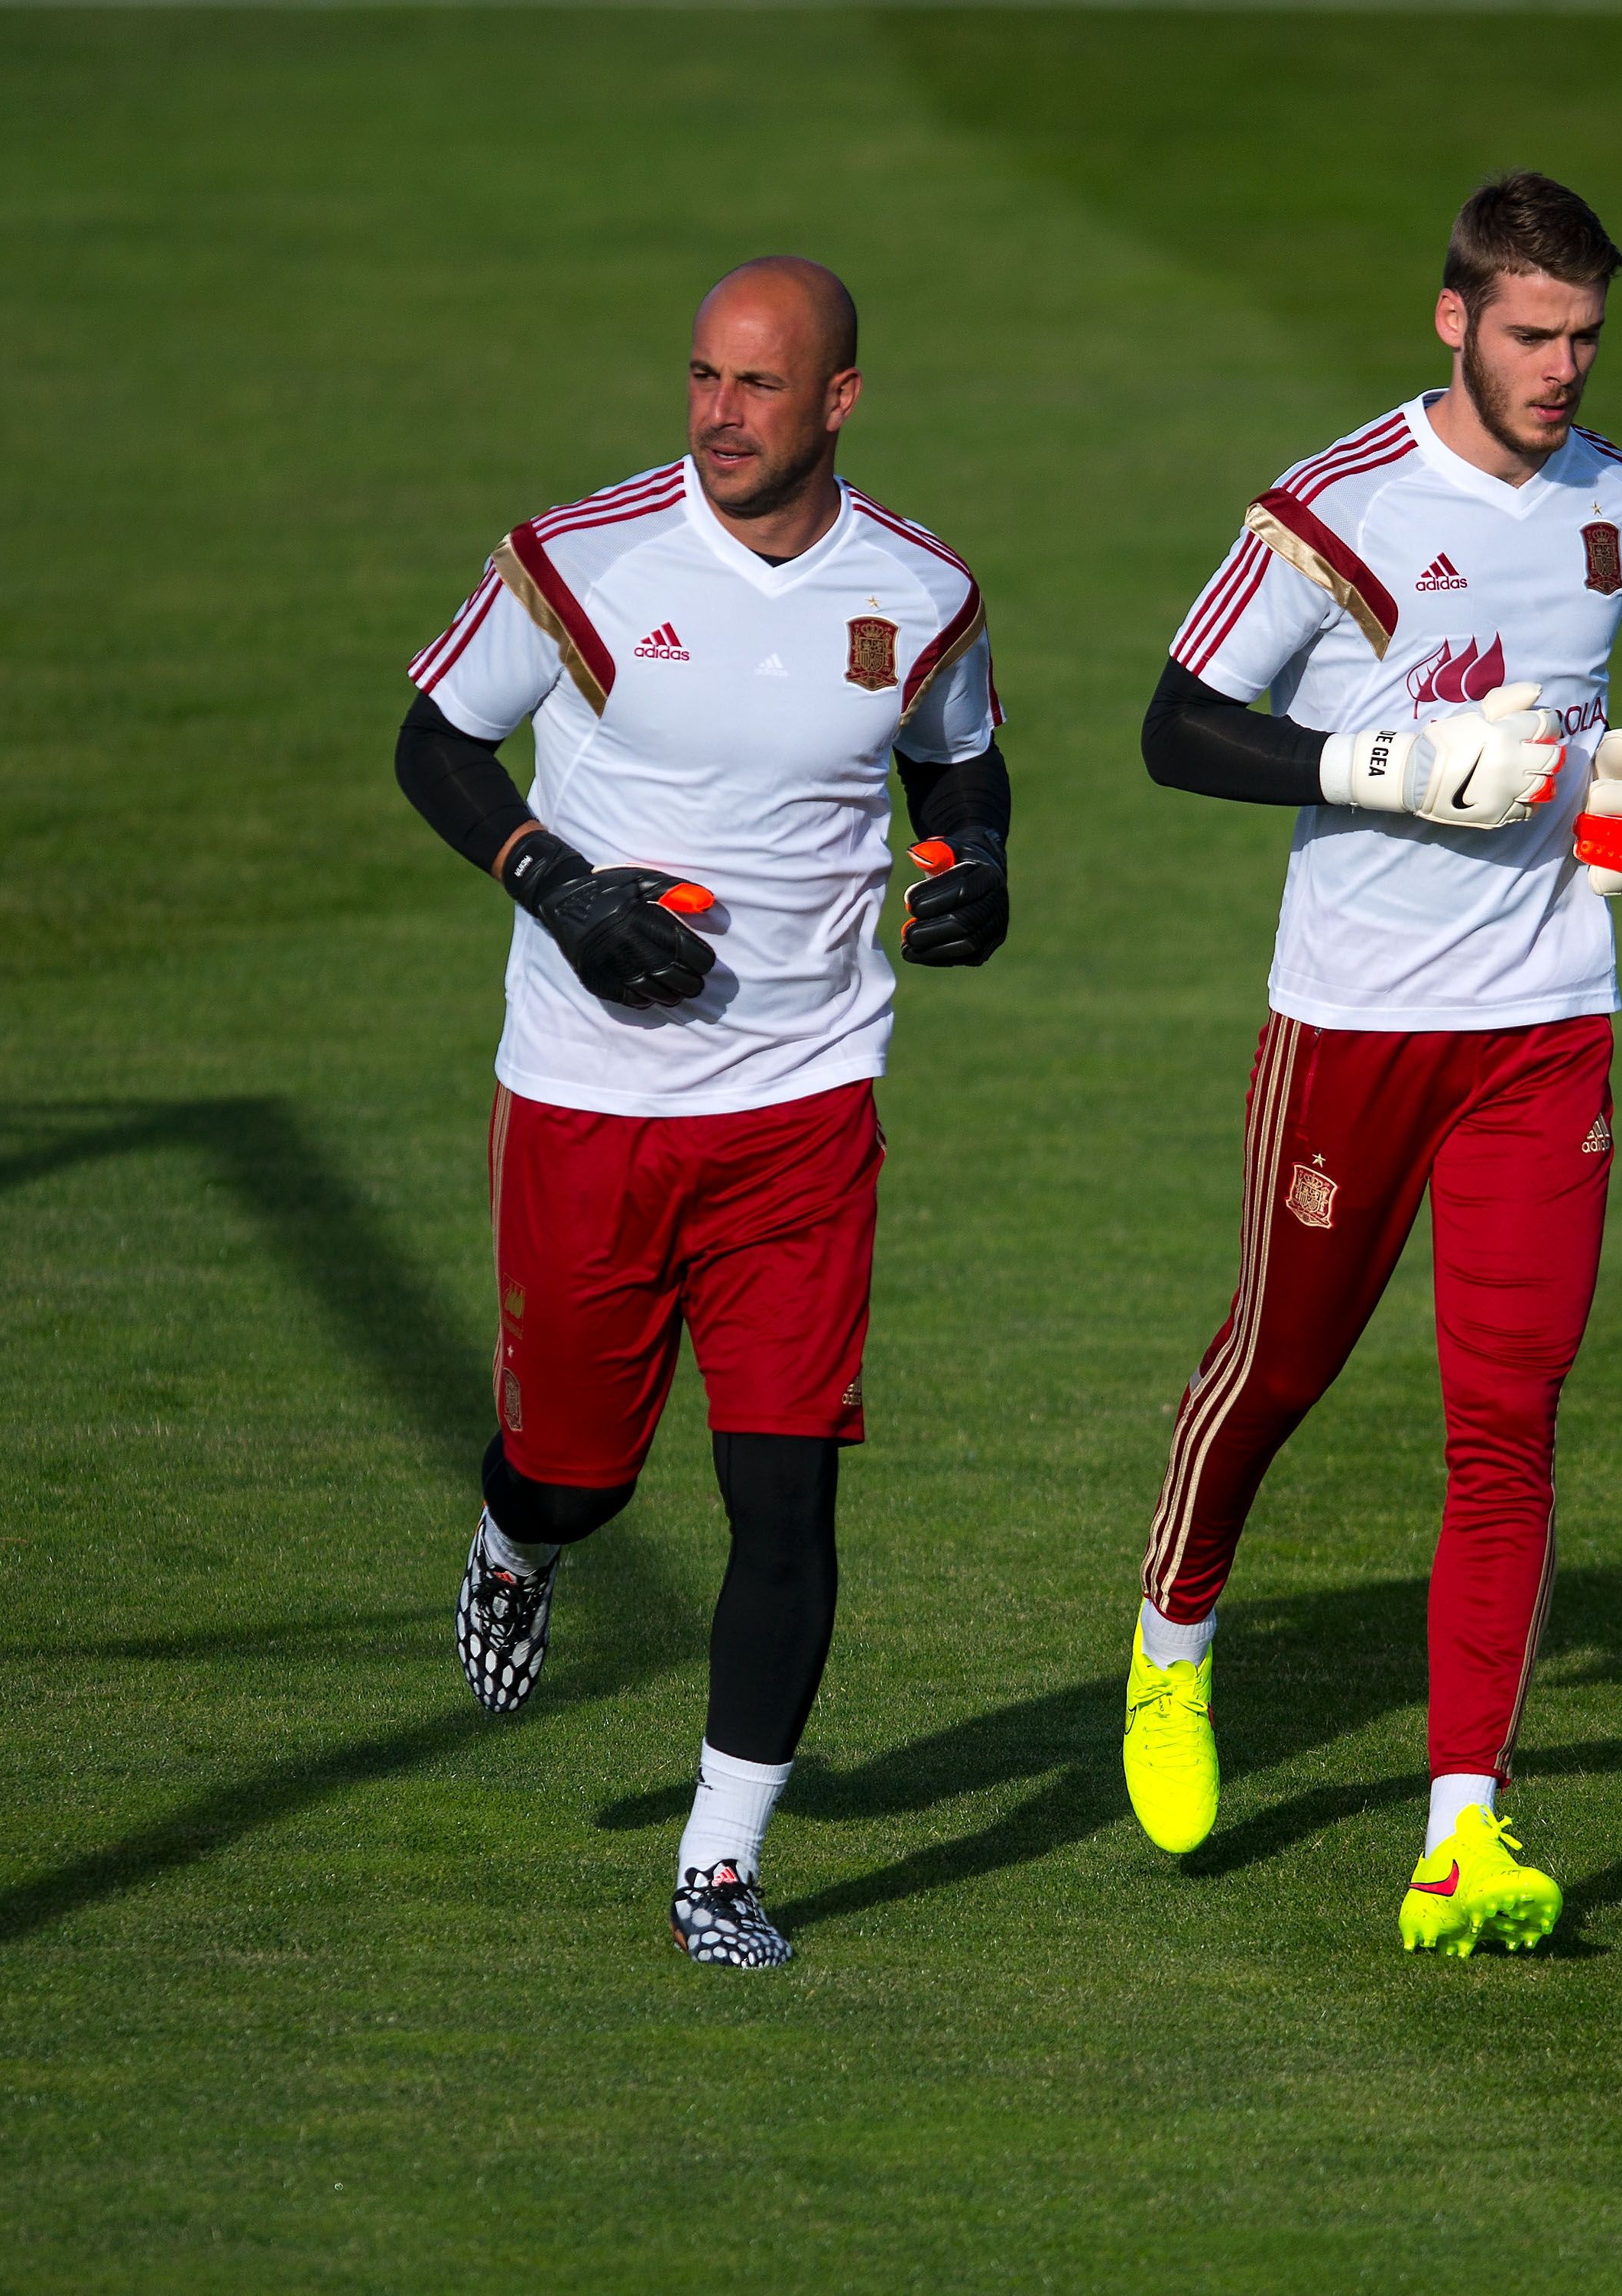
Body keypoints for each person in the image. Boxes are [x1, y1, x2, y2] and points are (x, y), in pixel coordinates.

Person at [394, 257, 1011, 1968]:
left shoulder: (921, 588)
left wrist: (974, 869)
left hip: (806, 1108)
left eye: (756, 386)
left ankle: (720, 1862)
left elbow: (955, 761)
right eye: (701, 380)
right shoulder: (581, 561)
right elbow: (437, 742)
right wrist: (557, 885)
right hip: (592, 1104)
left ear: (838, 401)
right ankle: (522, 1538)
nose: (719, 415)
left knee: (787, 1498)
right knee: (583, 1472)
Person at [1120, 173, 1622, 1957]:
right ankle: (1176, 1634)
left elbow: (1564, 724)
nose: (1563, 371)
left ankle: (1463, 1827)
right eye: (1531, 334)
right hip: (1354, 1022)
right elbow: (1178, 727)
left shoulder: (1620, 507)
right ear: (1454, 320)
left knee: (1506, 1417)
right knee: (1280, 1363)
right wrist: (1384, 765)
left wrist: (1615, 808)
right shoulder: (1335, 510)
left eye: (1586, 336)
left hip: (1544, 1023)